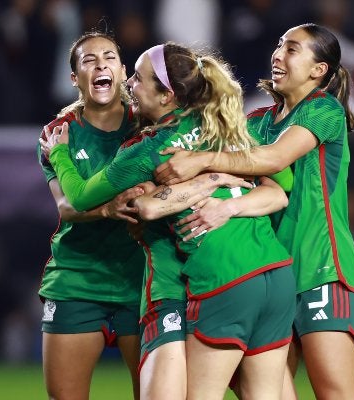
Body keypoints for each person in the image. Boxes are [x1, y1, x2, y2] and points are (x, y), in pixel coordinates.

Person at [41, 42, 296, 399]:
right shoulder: (224, 123)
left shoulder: (147, 148)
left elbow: (86, 198)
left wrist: (61, 155)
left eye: (140, 79)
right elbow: (282, 185)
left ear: (166, 96)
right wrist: (218, 174)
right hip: (275, 273)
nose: (130, 82)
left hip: (217, 279)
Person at [154, 23, 354, 399]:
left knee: (335, 393)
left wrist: (204, 159)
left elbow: (275, 157)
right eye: (279, 44)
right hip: (270, 273)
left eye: (293, 49)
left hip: (321, 267)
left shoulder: (324, 110)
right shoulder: (256, 122)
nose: (278, 54)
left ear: (319, 70)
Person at [36, 30, 147, 400]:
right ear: (75, 79)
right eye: (89, 60)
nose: (101, 64)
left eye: (109, 57)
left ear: (123, 70)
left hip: (142, 281)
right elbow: (67, 207)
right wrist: (110, 208)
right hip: (77, 282)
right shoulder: (58, 134)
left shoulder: (149, 128)